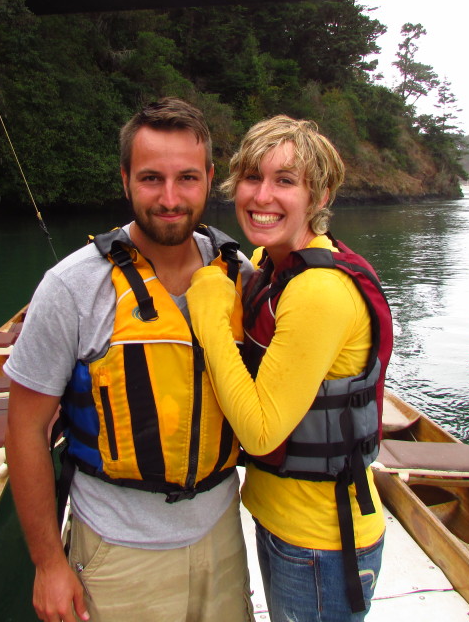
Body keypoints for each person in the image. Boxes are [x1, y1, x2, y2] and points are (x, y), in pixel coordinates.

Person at [4, 97, 255, 622]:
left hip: (223, 538)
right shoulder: (71, 288)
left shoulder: (241, 277)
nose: (170, 198)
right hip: (116, 552)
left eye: (187, 178)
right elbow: (25, 431)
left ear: (210, 178)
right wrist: (48, 564)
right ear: (124, 180)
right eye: (150, 179)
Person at [187, 115, 394, 621]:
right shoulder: (274, 262)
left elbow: (259, 433)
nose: (262, 196)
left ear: (320, 197)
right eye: (253, 178)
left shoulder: (319, 291)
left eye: (286, 182)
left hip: (320, 544)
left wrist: (209, 316)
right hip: (284, 524)